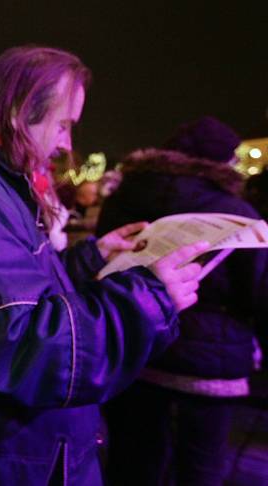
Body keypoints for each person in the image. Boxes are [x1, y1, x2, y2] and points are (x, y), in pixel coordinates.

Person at [0, 45, 209, 485]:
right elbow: (21, 346)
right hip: (3, 455)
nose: (67, 143)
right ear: (18, 112)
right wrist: (149, 299)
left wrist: (92, 257)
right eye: (63, 124)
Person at [97, 117, 268, 486]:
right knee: (202, 466)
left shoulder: (124, 197)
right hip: (211, 361)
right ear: (223, 162)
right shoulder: (237, 213)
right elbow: (257, 290)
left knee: (133, 460)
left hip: (137, 348)